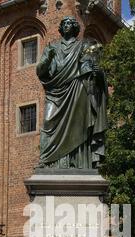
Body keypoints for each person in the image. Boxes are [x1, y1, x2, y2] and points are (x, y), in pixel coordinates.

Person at [36, 16, 108, 169]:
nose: (67, 25)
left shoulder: (83, 46)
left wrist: (97, 73)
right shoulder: (52, 48)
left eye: (70, 23)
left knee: (79, 125)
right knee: (48, 122)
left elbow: (90, 68)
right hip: (55, 92)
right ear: (61, 28)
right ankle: (47, 160)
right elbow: (41, 72)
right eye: (65, 23)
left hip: (77, 89)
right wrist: (47, 59)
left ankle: (78, 162)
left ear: (75, 27)